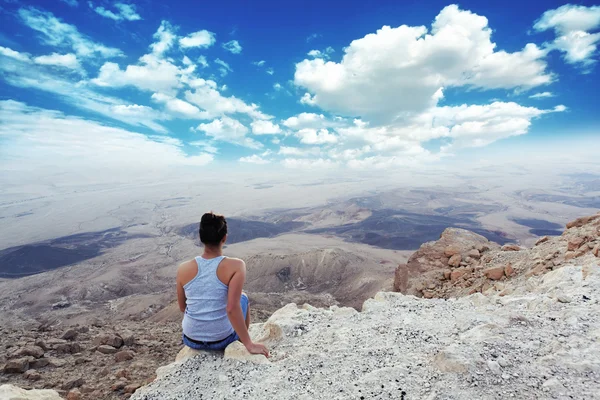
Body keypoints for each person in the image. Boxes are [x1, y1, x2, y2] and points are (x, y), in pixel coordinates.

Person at [176, 212, 269, 357]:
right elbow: (232, 308)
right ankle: (242, 340)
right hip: (221, 340)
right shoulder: (236, 266)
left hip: (191, 339)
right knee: (243, 298)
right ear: (224, 238)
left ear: (201, 238)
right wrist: (249, 345)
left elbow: (183, 307)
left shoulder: (183, 269)